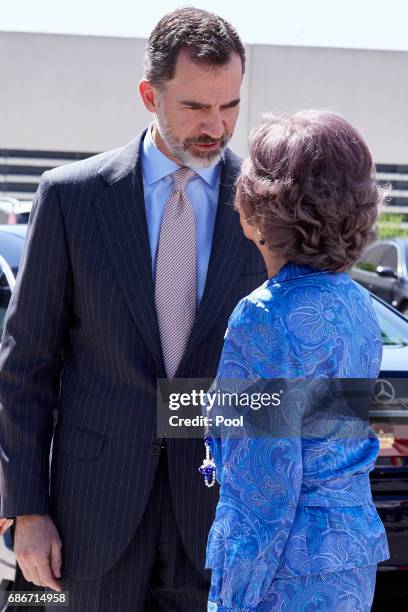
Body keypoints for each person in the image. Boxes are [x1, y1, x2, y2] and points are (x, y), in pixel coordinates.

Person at [0, 8, 267, 611]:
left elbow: (284, 376)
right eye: (196, 107)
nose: (216, 126)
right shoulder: (71, 197)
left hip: (219, 517)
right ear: (149, 94)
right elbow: (25, 368)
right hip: (90, 516)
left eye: (230, 105)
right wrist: (27, 508)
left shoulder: (264, 204)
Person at [204, 111, 390, 611]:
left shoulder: (262, 318)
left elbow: (263, 487)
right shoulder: (356, 305)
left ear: (259, 208)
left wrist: (232, 599)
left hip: (284, 571)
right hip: (349, 558)